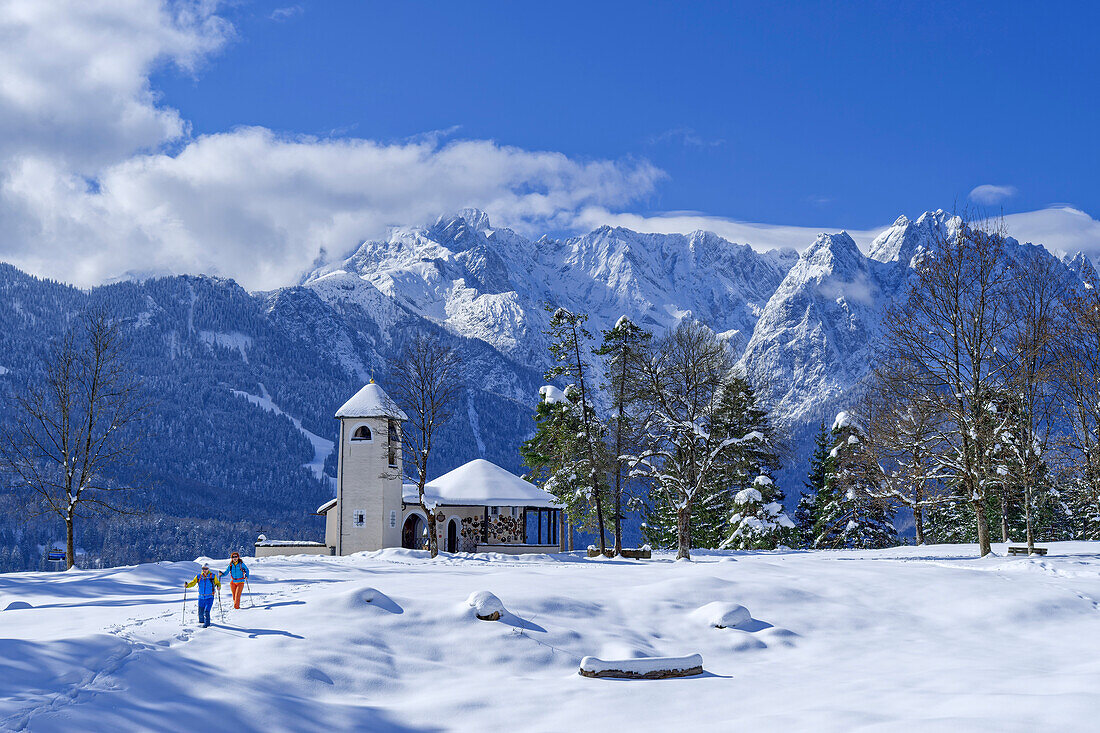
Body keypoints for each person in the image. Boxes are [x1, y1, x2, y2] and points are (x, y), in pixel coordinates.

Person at [184, 563, 221, 627]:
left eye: (206, 569)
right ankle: (200, 625)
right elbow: (193, 583)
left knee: (206, 611)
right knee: (200, 613)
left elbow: (218, 583)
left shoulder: (212, 576)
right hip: (201, 597)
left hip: (209, 597)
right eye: (203, 568)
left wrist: (218, 586)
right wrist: (187, 586)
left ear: (208, 569)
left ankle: (207, 625)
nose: (204, 570)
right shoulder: (199, 576)